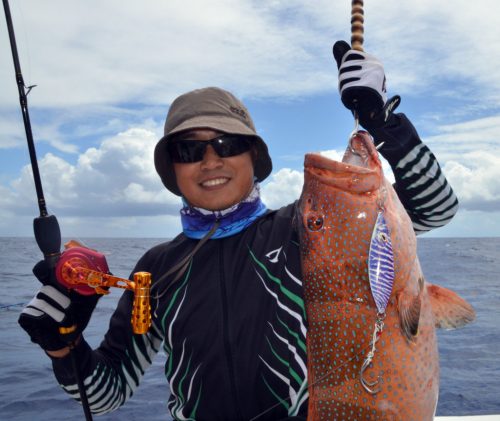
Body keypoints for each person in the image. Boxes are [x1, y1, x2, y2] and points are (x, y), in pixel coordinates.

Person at [18, 41, 458, 420]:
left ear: (254, 157)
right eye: (190, 149)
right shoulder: (157, 269)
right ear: (173, 168)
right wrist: (65, 346)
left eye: (227, 144)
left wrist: (383, 122)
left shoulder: (308, 231)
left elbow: (435, 209)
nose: (210, 161)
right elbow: (109, 393)